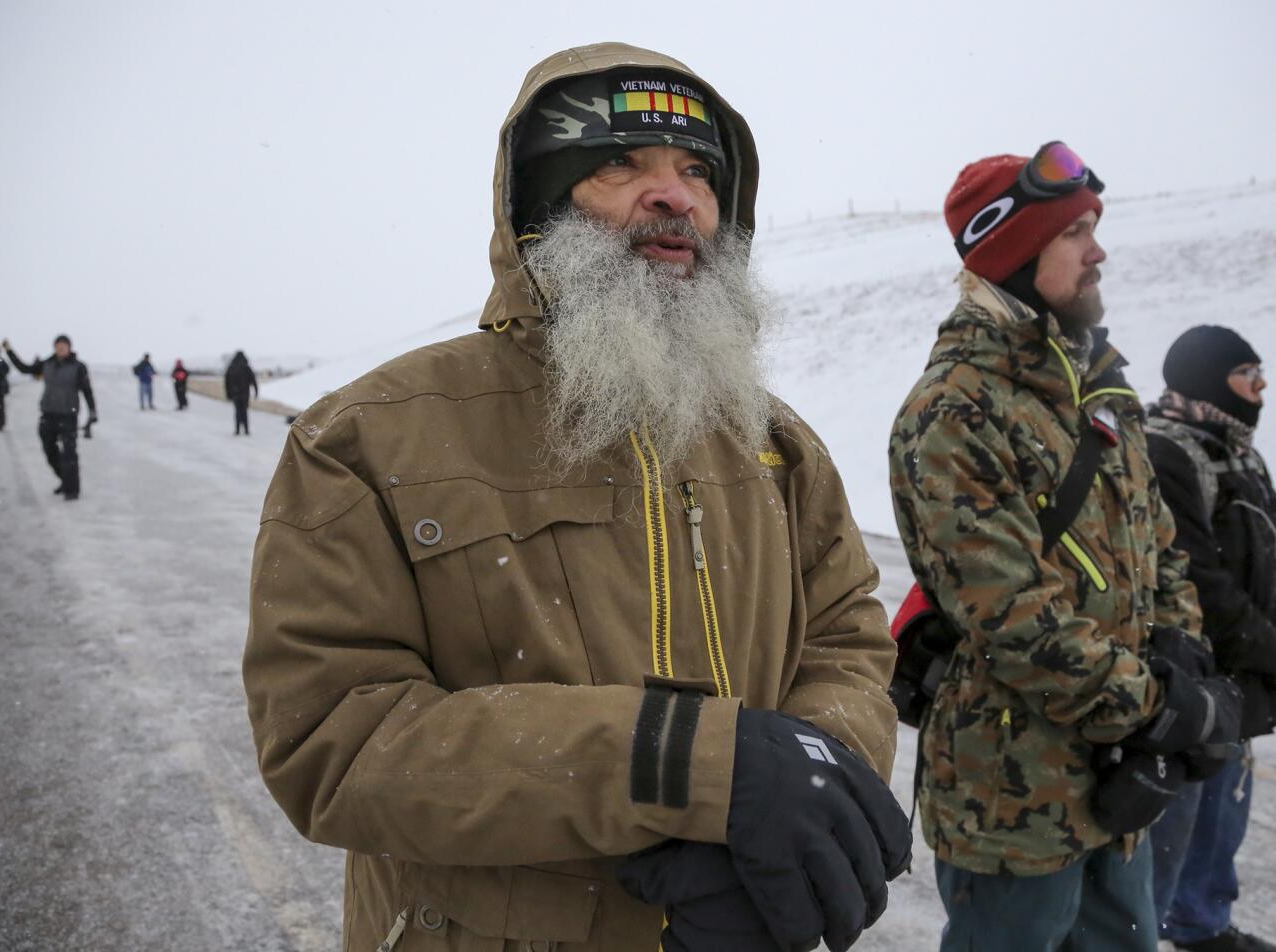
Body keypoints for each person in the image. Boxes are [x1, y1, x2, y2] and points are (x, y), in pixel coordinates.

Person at [244, 42, 910, 952]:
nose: (674, 196)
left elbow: (845, 640)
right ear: (538, 206)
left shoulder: (777, 446)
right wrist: (690, 767)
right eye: (619, 163)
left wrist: (796, 786)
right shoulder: (368, 437)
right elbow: (334, 741)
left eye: (697, 173)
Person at [888, 143, 1240, 952]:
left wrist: (1182, 653)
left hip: (1116, 788)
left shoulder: (1101, 391)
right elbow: (1010, 616)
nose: (1099, 250)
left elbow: (1160, 546)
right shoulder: (955, 411)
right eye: (1075, 232)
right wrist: (1157, 710)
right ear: (1013, 252)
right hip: (1012, 801)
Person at [1145, 327, 1276, 952]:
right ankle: (1143, 932)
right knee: (1171, 824)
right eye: (1245, 373)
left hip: (1243, 679)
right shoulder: (1163, 452)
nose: (1260, 386)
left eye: (1259, 372)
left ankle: (1199, 926)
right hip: (1192, 680)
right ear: (1205, 377)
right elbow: (1202, 582)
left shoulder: (1239, 451)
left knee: (1222, 816)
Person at [3, 335, 96, 500]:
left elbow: (87, 391)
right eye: (58, 346)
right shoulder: (47, 364)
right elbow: (24, 368)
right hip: (48, 415)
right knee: (50, 452)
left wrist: (92, 411)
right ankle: (65, 480)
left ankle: (72, 490)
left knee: (69, 454)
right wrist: (9, 351)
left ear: (69, 348)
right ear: (54, 347)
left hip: (68, 416)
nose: (60, 349)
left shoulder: (78, 367)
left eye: (63, 346)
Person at [224, 351, 257, 435]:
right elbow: (253, 380)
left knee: (237, 411)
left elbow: (226, 382)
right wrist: (256, 392)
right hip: (245, 394)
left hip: (235, 394)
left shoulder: (231, 367)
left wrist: (228, 394)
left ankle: (237, 430)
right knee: (244, 411)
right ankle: (246, 430)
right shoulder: (246, 367)